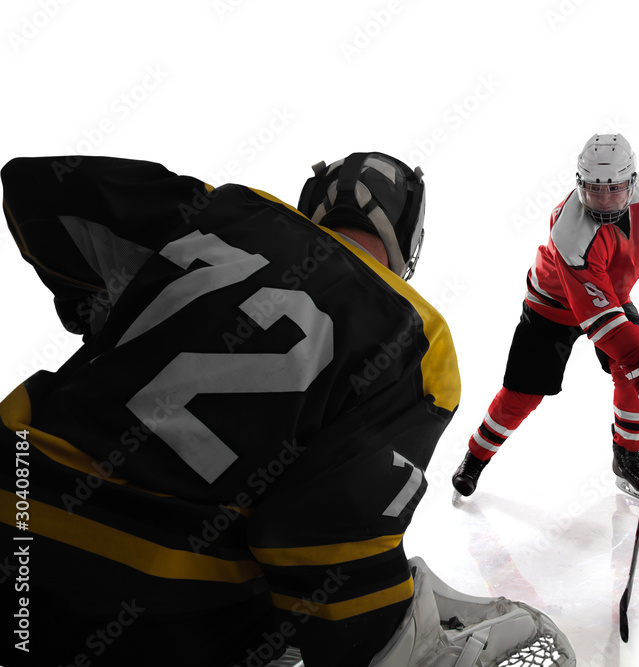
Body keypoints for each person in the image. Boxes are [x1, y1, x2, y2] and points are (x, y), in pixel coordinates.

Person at [0, 152, 460, 665]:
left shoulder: (228, 211)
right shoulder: (417, 340)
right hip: (154, 608)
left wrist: (101, 305)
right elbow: (324, 546)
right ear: (411, 238)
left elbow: (33, 183)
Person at [452, 133, 639, 506]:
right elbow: (597, 317)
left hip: (612, 298)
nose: (603, 200)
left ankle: (627, 457)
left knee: (633, 379)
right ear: (579, 183)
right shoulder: (569, 231)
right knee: (523, 392)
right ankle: (475, 457)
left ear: (631, 182)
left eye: (613, 189)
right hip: (553, 305)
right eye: (594, 190)